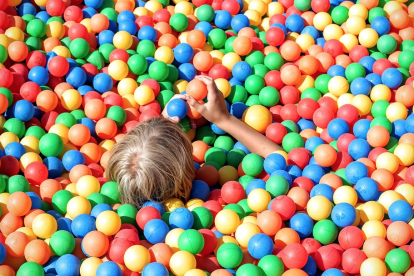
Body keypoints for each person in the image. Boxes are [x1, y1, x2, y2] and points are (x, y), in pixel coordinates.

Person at [107, 76, 282, 208]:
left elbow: (143, 157)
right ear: (183, 181)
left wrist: (163, 124)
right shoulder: (206, 207)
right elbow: (278, 161)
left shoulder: (125, 192)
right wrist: (224, 119)